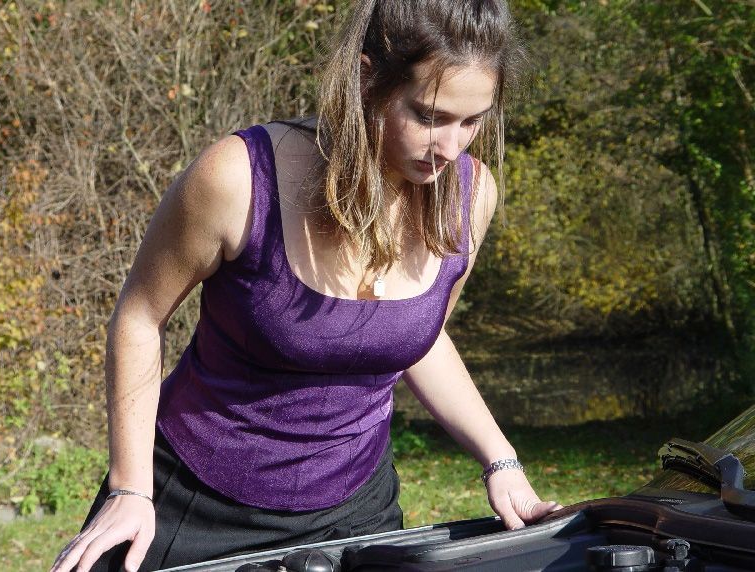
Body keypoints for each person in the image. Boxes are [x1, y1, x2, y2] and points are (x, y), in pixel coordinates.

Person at [52, 1, 561, 570]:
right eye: (428, 116)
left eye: (472, 121)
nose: (450, 147)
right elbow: (140, 318)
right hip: (193, 501)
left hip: (356, 511)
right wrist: (129, 488)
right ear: (368, 78)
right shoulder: (237, 178)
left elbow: (420, 337)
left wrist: (500, 460)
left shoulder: (471, 196)